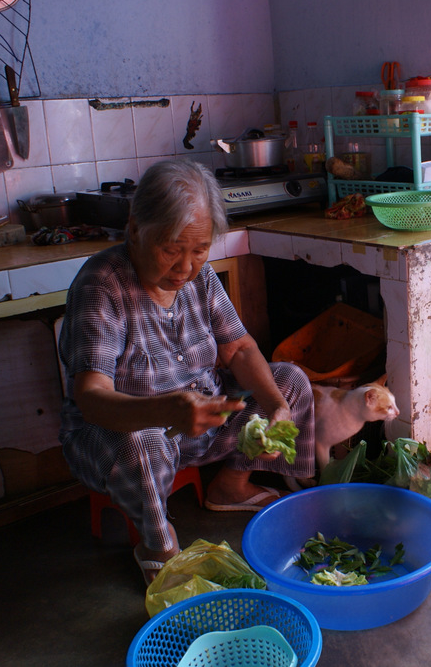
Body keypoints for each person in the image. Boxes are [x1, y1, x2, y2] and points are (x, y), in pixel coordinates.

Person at [56, 158, 315, 584]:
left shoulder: (201, 277)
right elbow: (90, 398)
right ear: (135, 229)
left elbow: (240, 348)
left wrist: (274, 407)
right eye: (171, 249)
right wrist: (169, 411)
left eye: (199, 251)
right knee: (140, 441)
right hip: (122, 438)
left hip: (203, 424)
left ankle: (230, 485)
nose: (185, 267)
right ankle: (159, 545)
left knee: (289, 382)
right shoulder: (102, 285)